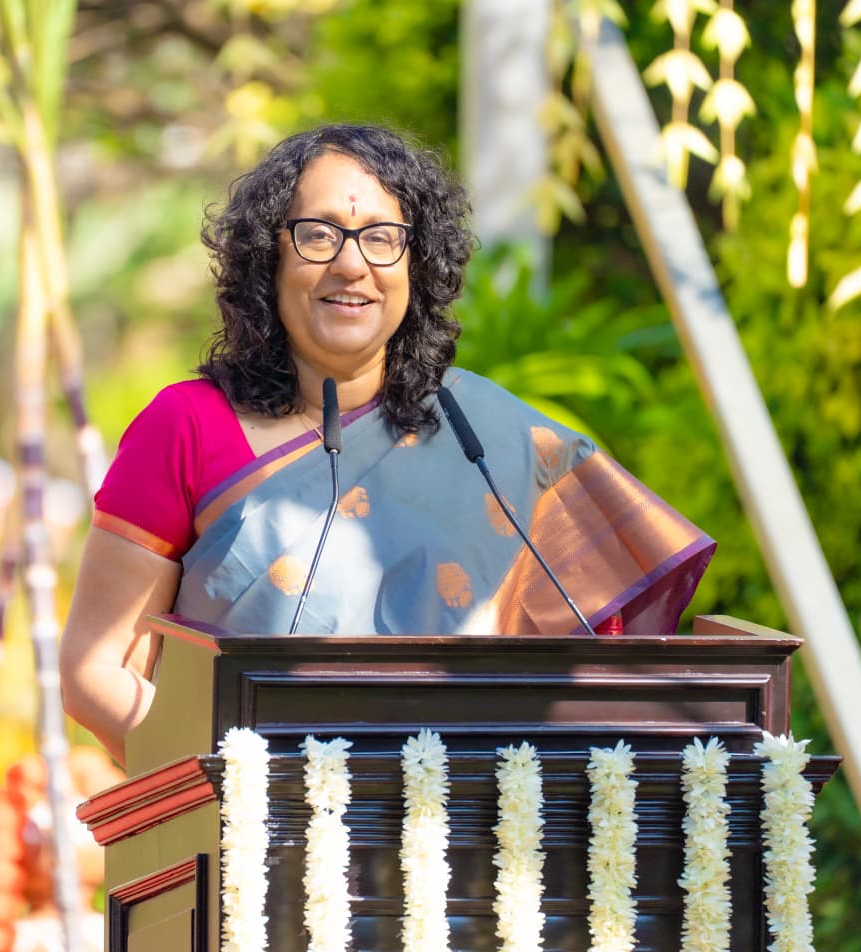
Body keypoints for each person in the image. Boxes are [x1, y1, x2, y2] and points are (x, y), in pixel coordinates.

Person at [59, 124, 715, 764]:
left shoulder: (484, 434)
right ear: (268, 258)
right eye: (318, 234)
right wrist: (236, 790)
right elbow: (96, 669)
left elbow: (590, 659)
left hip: (458, 816)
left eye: (381, 238)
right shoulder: (187, 426)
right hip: (251, 821)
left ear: (416, 264)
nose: (352, 265)